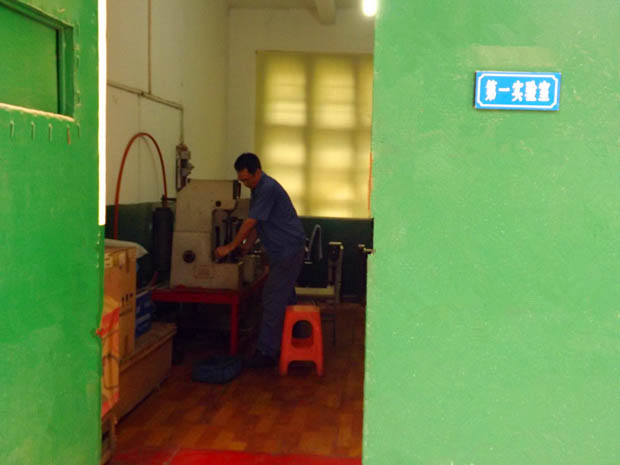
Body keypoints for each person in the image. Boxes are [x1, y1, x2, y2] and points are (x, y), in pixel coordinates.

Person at [215, 152, 305, 368]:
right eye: (241, 181)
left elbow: (250, 222)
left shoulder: (267, 188)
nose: (245, 184)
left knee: (272, 298)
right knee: (285, 296)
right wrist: (246, 246)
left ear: (258, 172)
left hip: (287, 250)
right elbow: (259, 223)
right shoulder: (258, 189)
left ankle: (266, 353)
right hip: (282, 250)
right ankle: (294, 339)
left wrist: (230, 247)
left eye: (247, 179)